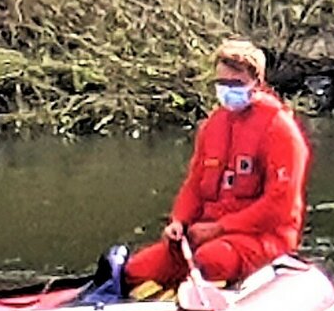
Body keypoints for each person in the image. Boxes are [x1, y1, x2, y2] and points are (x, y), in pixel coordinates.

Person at [124, 38, 311, 292]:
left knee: (211, 261)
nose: (227, 89)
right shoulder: (213, 126)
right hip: (204, 233)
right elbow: (195, 185)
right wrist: (179, 221)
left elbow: (279, 204)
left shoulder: (279, 129)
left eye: (236, 83)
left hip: (261, 237)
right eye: (222, 83)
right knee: (136, 270)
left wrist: (220, 228)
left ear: (257, 82)